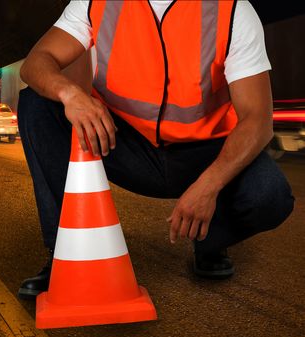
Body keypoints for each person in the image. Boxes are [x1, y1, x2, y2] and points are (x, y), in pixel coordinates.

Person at [16, 0, 295, 300]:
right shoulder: (97, 2)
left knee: (271, 195)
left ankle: (211, 241)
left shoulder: (232, 10)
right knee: (38, 103)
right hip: (123, 142)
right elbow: (36, 62)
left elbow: (259, 120)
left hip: (204, 155)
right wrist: (70, 94)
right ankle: (64, 254)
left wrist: (209, 185)